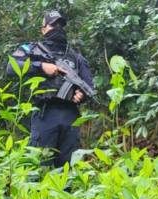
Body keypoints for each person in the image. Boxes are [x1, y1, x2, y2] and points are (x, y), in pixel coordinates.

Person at [7, 10, 94, 168]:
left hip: (71, 116)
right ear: (43, 29)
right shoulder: (31, 49)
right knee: (41, 164)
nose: (57, 28)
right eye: (53, 25)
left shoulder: (76, 57)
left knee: (68, 167)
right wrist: (41, 66)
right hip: (45, 113)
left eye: (60, 25)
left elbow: (89, 86)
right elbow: (11, 68)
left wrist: (82, 95)